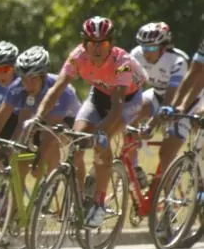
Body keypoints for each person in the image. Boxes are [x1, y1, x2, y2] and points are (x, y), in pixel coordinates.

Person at [27, 16, 147, 228]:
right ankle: (81, 199)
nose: (98, 49)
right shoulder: (78, 56)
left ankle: (99, 203)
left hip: (126, 101)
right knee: (77, 141)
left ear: (111, 43)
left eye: (104, 44)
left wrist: (101, 131)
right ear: (84, 44)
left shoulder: (122, 63)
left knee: (102, 142)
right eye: (92, 44)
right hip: (99, 96)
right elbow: (56, 89)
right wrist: (38, 117)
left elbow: (117, 107)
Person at [0, 46, 80, 175]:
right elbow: (6, 118)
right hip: (39, 120)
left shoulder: (61, 90)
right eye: (24, 79)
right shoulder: (18, 87)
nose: (28, 84)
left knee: (49, 146)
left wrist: (40, 159)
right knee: (19, 159)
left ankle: (50, 184)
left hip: (67, 121)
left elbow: (50, 132)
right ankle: (17, 193)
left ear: (43, 76)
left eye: (33, 78)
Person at [130, 22, 191, 179]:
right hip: (157, 94)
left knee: (166, 154)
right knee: (130, 112)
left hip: (182, 103)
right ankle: (134, 168)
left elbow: (171, 99)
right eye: (143, 46)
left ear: (163, 47)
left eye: (151, 48)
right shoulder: (136, 54)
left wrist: (151, 125)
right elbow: (123, 77)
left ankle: (169, 197)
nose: (145, 52)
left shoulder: (178, 61)